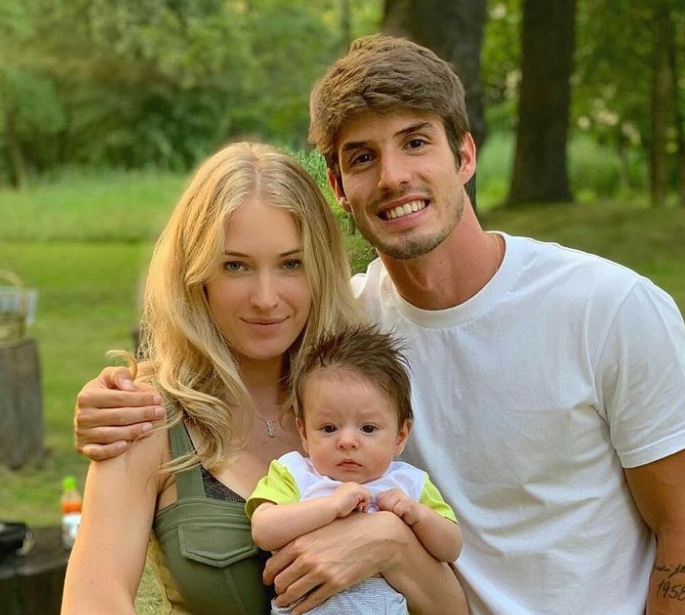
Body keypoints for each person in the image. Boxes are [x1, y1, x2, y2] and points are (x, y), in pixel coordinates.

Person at [74, 35, 685, 615]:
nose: (394, 177)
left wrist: (387, 540)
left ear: (464, 153)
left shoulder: (609, 308)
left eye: (416, 141)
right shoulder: (347, 328)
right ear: (338, 184)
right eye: (362, 158)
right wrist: (112, 402)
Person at [61, 141, 469, 615]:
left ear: (319, 268)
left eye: (291, 264)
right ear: (197, 274)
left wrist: (390, 543)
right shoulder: (147, 415)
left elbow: (450, 608)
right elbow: (93, 599)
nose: (265, 298)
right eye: (235, 266)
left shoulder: (364, 392)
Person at [247, 326, 462, 615]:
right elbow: (264, 530)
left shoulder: (409, 483)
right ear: (304, 433)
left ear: (401, 435)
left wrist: (416, 514)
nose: (347, 441)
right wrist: (331, 506)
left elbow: (451, 548)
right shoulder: (295, 473)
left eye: (368, 428)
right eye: (328, 428)